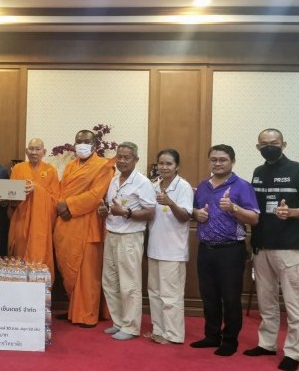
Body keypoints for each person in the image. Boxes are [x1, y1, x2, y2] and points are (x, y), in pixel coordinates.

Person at [243, 129, 299, 371]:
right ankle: (267, 344)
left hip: (288, 247)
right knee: (266, 300)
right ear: (258, 147)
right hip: (261, 245)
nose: (269, 147)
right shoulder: (258, 172)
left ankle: (293, 353)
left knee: (293, 302)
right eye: (264, 144)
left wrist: (291, 212)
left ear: (284, 144)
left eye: (274, 143)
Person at [191, 144, 259, 357]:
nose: (218, 163)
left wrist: (234, 208)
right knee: (209, 296)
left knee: (230, 298)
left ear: (232, 161)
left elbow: (254, 218)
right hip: (205, 249)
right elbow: (195, 211)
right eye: (214, 159)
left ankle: (230, 340)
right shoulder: (202, 186)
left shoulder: (242, 186)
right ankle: (212, 336)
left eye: (223, 159)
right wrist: (196, 214)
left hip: (231, 250)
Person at [53, 129, 115, 328]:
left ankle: (87, 314)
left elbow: (97, 194)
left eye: (86, 142)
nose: (82, 145)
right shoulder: (70, 165)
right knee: (68, 268)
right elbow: (61, 189)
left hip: (87, 224)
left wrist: (69, 206)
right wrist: (61, 206)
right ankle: (75, 308)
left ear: (95, 145)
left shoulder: (103, 166)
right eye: (79, 141)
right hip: (66, 223)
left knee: (87, 272)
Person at [100, 142, 156, 341]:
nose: (122, 161)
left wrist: (126, 212)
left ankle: (131, 327)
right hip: (111, 235)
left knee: (129, 284)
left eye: (127, 157)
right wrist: (105, 211)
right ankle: (119, 322)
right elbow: (112, 207)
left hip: (130, 238)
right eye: (119, 157)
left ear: (136, 160)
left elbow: (150, 212)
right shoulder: (114, 180)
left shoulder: (142, 182)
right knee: (110, 282)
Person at [146, 149, 193, 345]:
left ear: (177, 166)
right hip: (154, 248)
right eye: (161, 163)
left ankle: (173, 334)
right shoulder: (153, 185)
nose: (164, 167)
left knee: (171, 296)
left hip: (173, 251)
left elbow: (185, 216)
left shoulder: (183, 187)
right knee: (155, 293)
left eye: (169, 164)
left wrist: (170, 202)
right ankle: (159, 330)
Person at [7, 138, 59, 278]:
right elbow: (11, 195)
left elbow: (55, 199)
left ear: (44, 152)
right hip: (21, 220)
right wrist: (15, 197)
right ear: (26, 151)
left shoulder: (51, 170)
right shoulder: (18, 168)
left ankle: (40, 285)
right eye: (31, 149)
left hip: (41, 224)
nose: (34, 152)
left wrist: (36, 189)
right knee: (19, 253)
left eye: (37, 149)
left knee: (39, 255)